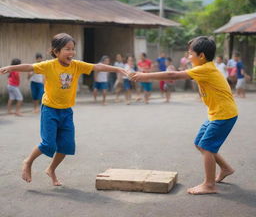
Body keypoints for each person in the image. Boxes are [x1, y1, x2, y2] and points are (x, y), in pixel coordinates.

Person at [0, 33, 127, 186]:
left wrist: (118, 70)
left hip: (66, 111)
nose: (71, 53)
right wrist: (10, 67)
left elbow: (97, 66)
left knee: (66, 145)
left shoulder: (77, 65)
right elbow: (29, 66)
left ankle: (51, 169)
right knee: (48, 145)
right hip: (50, 109)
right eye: (67, 49)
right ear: (56, 51)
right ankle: (28, 162)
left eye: (73, 49)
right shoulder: (49, 65)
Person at [130, 36, 238, 195]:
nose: (188, 57)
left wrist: (144, 76)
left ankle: (209, 185)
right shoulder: (204, 68)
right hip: (216, 114)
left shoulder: (206, 68)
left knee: (207, 146)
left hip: (224, 114)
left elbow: (172, 75)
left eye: (190, 54)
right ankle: (226, 168)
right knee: (200, 144)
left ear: (201, 56)